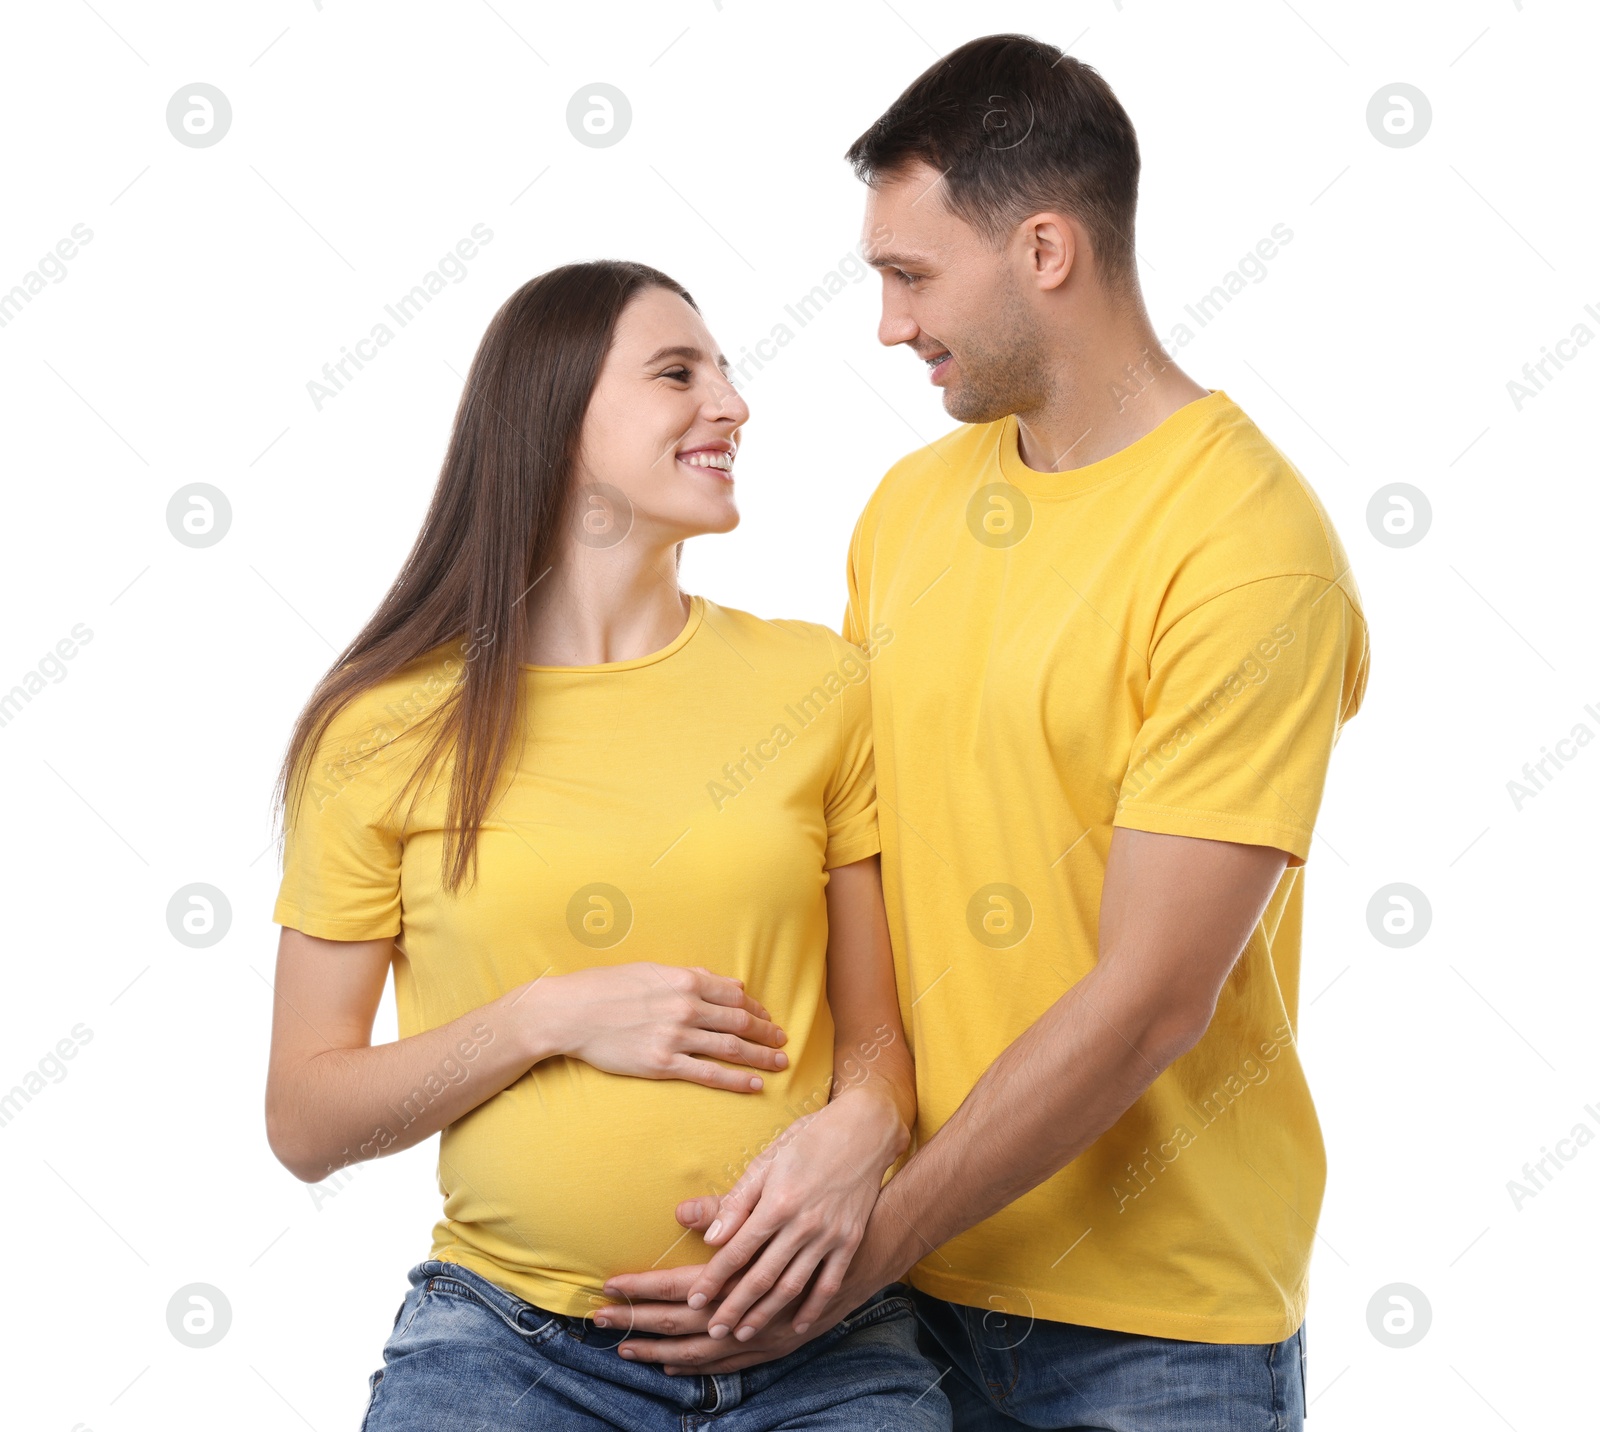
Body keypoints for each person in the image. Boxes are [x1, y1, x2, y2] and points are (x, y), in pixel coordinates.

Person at [595, 34, 1371, 1432]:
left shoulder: (1249, 552)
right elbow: (855, 854)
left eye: (911, 275)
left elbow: (1149, 998)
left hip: (1152, 1337)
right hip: (897, 1308)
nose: (889, 323)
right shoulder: (909, 509)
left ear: (1047, 250)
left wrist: (859, 1246)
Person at [264, 260, 952, 1430]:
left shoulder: (817, 687)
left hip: (821, 1336)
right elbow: (306, 1119)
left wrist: (866, 1126)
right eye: (679, 373)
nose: (732, 404)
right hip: (508, 1342)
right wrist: (548, 1015)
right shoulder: (384, 730)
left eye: (726, 374)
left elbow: (878, 1035)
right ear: (554, 416)